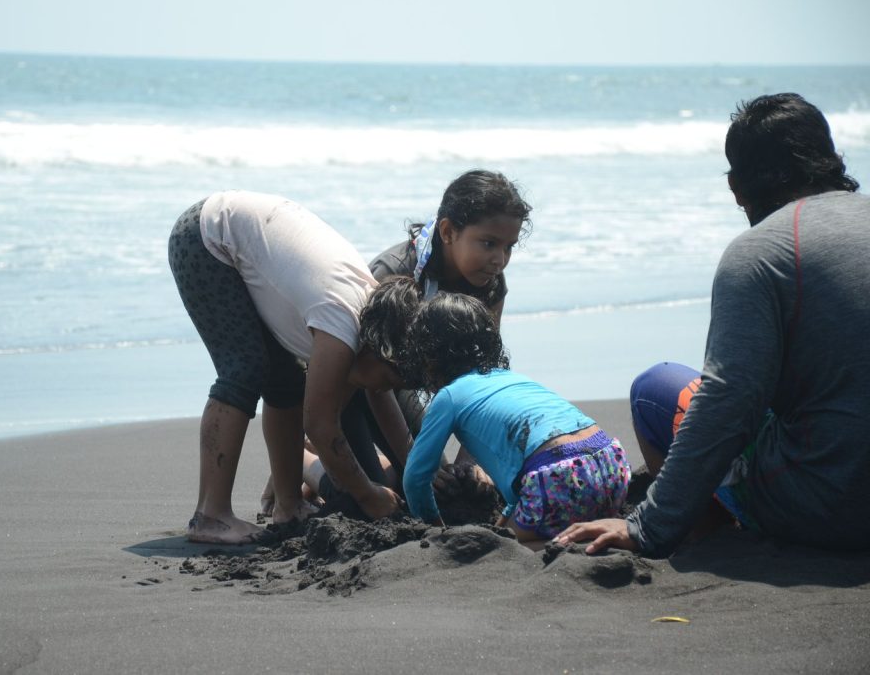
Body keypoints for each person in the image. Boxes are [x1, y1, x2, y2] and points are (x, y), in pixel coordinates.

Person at [557, 92, 870, 557]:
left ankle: (704, 530)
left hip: (828, 510)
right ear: (832, 161)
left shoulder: (763, 252)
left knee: (655, 390)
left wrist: (648, 525)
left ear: (737, 188)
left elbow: (729, 400)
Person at [168, 191, 410, 544]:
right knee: (244, 370)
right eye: (388, 377)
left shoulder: (380, 321)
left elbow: (368, 395)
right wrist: (368, 494)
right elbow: (320, 425)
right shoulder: (342, 323)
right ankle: (210, 515)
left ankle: (289, 505)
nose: (381, 388)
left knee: (286, 383)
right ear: (377, 352)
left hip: (244, 240)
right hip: (206, 239)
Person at [294, 170, 532, 506]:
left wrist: (471, 459)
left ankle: (361, 463)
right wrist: (415, 461)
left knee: (443, 488)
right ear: (448, 231)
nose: (500, 259)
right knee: (362, 496)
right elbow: (374, 384)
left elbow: (482, 375)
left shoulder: (490, 284)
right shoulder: (393, 274)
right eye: (489, 243)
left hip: (403, 383)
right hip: (357, 384)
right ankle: (298, 462)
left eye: (509, 247)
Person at [368, 278, 631, 545]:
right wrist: (505, 519)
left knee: (512, 548)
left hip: (557, 480)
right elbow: (524, 475)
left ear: (426, 356)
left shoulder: (449, 396)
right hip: (611, 466)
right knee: (523, 522)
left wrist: (434, 529)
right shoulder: (513, 379)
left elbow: (415, 478)